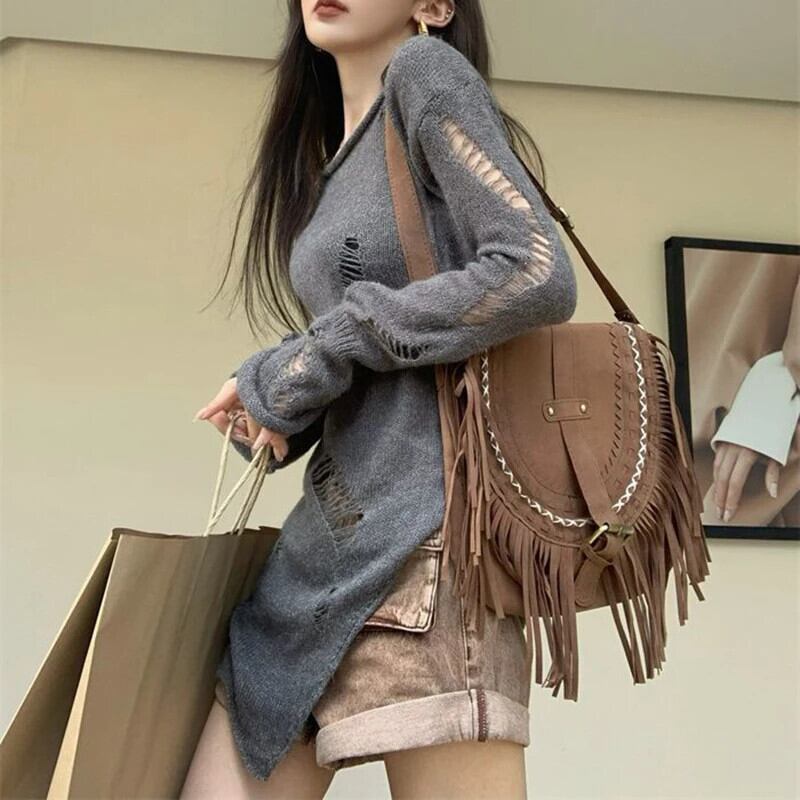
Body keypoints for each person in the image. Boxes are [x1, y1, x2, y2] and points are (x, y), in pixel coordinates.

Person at [183, 0, 578, 796]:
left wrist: (325, 348)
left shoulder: (425, 74)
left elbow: (536, 270)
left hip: (425, 553)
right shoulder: (332, 161)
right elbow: (368, 348)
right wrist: (283, 397)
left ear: (432, 5)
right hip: (320, 559)